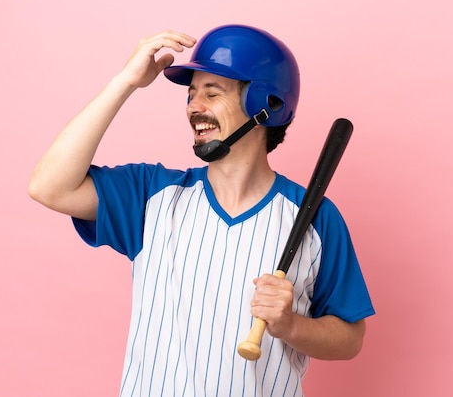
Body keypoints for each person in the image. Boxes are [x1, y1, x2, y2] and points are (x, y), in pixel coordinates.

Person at [29, 24, 375, 396]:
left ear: (265, 106)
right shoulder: (152, 194)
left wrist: (290, 325)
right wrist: (125, 82)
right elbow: (49, 187)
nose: (195, 106)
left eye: (212, 93)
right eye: (191, 94)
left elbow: (350, 338)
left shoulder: (316, 218)